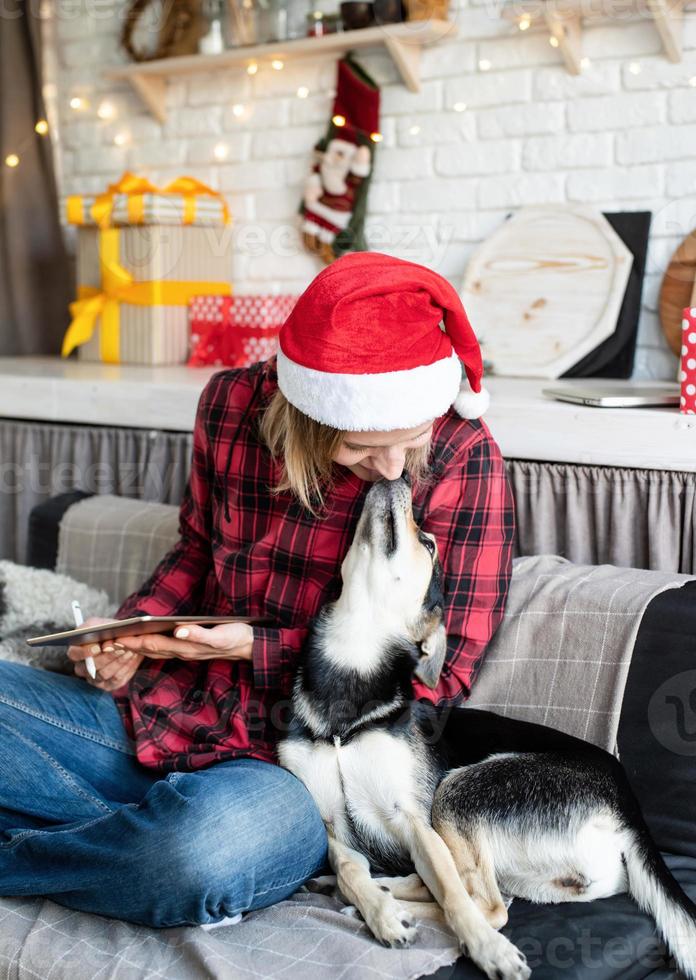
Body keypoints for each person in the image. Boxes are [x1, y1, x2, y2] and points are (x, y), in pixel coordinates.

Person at [0, 252, 515, 929]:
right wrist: (130, 631)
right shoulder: (230, 404)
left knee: (199, 856)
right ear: (308, 416)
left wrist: (259, 649)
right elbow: (193, 552)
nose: (392, 471)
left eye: (408, 443)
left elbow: (438, 677)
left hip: (297, 773)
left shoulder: (464, 454)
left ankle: (94, 839)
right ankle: (121, 832)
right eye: (363, 451)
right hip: (166, 713)